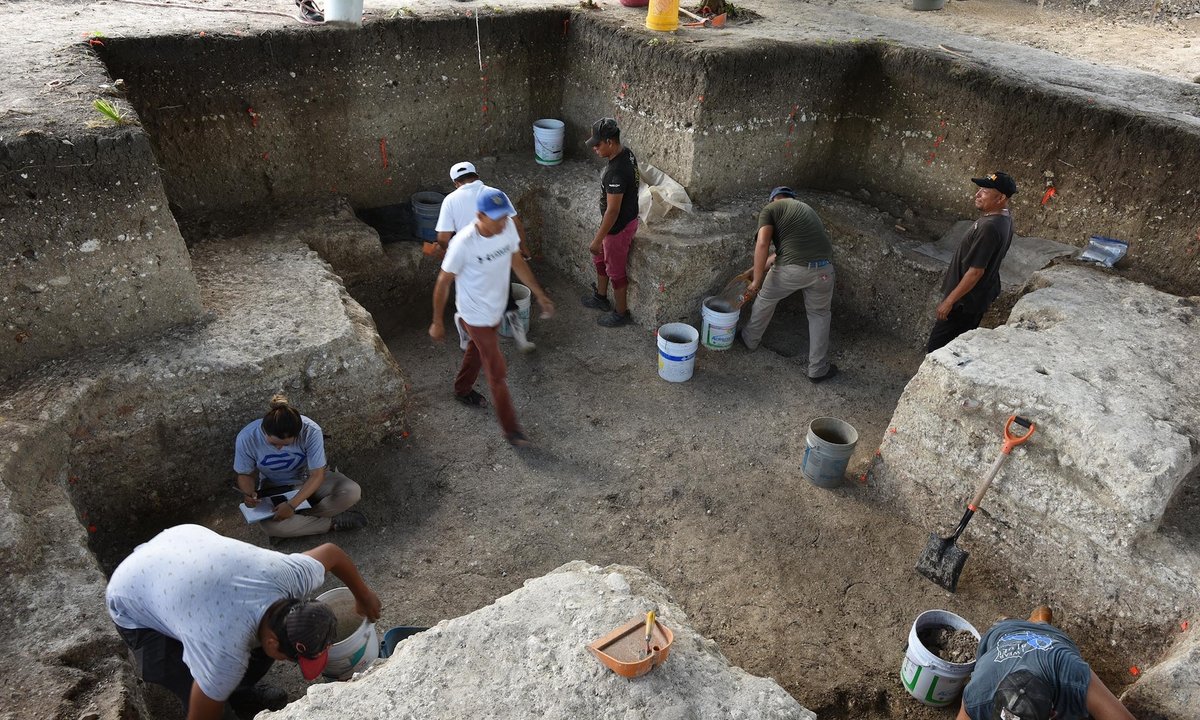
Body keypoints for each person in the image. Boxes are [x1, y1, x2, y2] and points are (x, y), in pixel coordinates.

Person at [106, 524, 383, 720]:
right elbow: (201, 716)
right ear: (273, 640)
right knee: (188, 680)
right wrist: (214, 692)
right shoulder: (224, 651)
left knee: (247, 662)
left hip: (182, 549)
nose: (293, 663)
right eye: (296, 658)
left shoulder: (292, 577)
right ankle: (230, 698)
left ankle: (238, 692)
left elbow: (332, 553)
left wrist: (364, 596)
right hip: (133, 596)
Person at [429, 187, 555, 447]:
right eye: (495, 217)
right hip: (474, 314)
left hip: (495, 307)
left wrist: (540, 294)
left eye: (504, 216)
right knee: (496, 370)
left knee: (477, 350)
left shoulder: (506, 227)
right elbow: (443, 282)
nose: (502, 222)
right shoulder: (463, 243)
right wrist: (437, 321)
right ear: (479, 215)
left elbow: (516, 261)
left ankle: (462, 389)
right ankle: (513, 431)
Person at [958, 606, 1136, 720]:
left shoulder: (1070, 672)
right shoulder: (978, 696)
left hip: (1053, 640)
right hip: (1003, 632)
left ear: (1052, 713)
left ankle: (1041, 622)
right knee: (1009, 628)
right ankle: (1034, 621)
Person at [433, 161, 536, 352]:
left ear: (456, 182)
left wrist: (446, 250)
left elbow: (443, 237)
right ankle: (521, 339)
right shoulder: (495, 194)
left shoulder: (451, 200)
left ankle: (466, 341)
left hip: (468, 259)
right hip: (496, 253)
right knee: (506, 296)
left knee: (468, 303)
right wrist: (523, 246)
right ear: (477, 176)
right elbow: (515, 222)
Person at [740, 186, 838, 383]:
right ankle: (817, 370)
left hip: (792, 269)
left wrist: (757, 282)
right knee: (819, 314)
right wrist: (753, 271)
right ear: (792, 198)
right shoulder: (804, 210)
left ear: (772, 200)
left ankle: (749, 340)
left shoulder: (770, 210)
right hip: (824, 270)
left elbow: (762, 243)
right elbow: (780, 253)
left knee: (766, 298)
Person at [234, 394, 366, 538]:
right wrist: (249, 494)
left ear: (297, 435)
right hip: (275, 486)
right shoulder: (247, 437)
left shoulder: (311, 431)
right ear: (264, 431)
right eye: (273, 443)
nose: (279, 448)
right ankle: (331, 523)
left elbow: (317, 475)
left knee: (351, 492)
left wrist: (291, 506)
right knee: (271, 527)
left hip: (309, 479)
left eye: (285, 444)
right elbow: (245, 474)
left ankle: (297, 520)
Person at [926, 171, 1017, 353]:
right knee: (952, 350)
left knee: (936, 349)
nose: (977, 194)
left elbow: (976, 271)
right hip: (972, 300)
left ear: (1000, 198)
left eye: (984, 191)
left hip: (963, 304)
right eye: (980, 189)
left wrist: (949, 302)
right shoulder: (1002, 219)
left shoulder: (989, 227)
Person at [581, 117, 640, 328]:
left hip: (618, 228)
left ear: (610, 142)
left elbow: (613, 211)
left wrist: (598, 240)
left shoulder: (616, 172)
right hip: (616, 223)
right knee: (600, 261)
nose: (595, 148)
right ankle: (601, 296)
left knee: (615, 271)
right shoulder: (626, 153)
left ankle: (620, 312)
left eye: (597, 144)